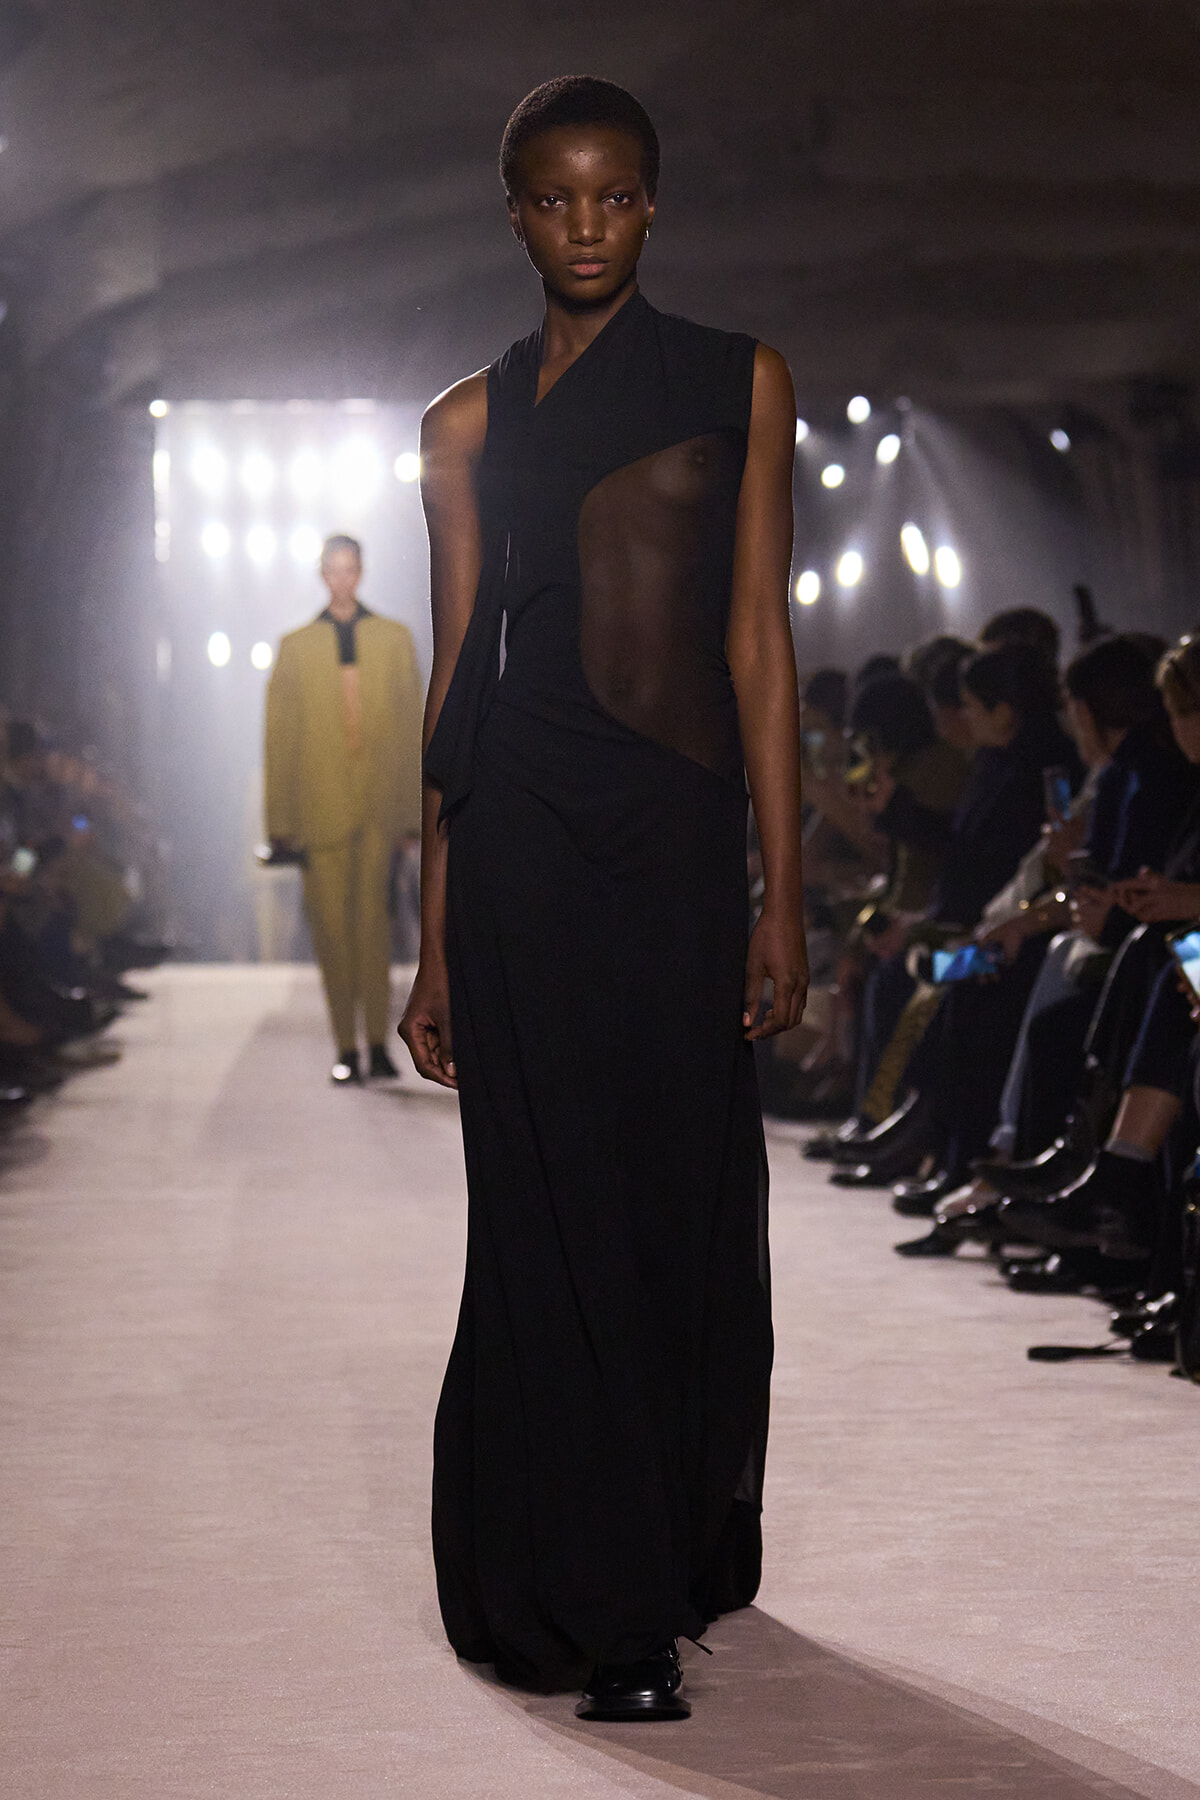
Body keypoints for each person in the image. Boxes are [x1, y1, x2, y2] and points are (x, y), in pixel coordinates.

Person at [399, 76, 806, 1720]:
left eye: (614, 198)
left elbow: (761, 646)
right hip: (524, 849)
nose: (585, 225)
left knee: (674, 1203)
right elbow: (457, 683)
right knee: (550, 1217)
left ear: (653, 205)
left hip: (678, 844)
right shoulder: (463, 426)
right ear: (512, 210)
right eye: (554, 200)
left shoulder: (740, 379)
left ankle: (667, 1542)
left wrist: (785, 890)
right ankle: (615, 1607)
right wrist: (429, 941)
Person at [265, 536, 423, 1084]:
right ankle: (345, 1045)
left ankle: (377, 1044)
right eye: (333, 569)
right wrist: (280, 823)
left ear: (361, 571)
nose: (341, 578)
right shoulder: (296, 647)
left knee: (373, 928)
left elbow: (411, 731)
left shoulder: (395, 640)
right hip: (319, 808)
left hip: (378, 806)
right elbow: (279, 739)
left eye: (349, 568)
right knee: (332, 931)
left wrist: (412, 812)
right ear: (321, 574)